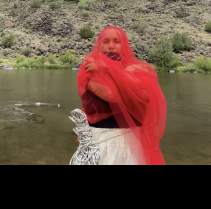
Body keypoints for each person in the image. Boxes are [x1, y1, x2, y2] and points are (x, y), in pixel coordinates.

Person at [70, 26, 167, 166]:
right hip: (96, 146)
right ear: (99, 45)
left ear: (125, 45)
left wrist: (107, 67)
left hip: (128, 146)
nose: (111, 46)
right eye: (106, 41)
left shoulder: (140, 69)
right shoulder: (89, 67)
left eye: (116, 41)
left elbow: (133, 93)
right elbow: (111, 96)